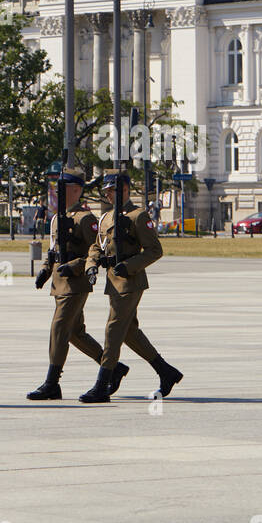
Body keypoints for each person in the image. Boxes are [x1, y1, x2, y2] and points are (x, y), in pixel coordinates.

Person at [79, 172, 183, 404]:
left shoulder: (138, 216)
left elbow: (155, 250)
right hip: (112, 281)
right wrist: (91, 265)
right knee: (129, 332)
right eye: (106, 190)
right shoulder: (106, 217)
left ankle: (102, 384)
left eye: (112, 189)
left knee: (113, 330)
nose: (107, 193)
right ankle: (166, 372)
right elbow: (97, 246)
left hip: (130, 281)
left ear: (125, 190)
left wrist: (129, 266)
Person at [27, 166, 127, 400]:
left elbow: (96, 252)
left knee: (59, 328)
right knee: (74, 332)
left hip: (75, 282)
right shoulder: (56, 218)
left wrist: (75, 266)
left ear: (75, 190)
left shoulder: (86, 219)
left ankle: (52, 383)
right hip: (58, 283)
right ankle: (113, 368)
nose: (56, 193)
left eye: (61, 188)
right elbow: (53, 250)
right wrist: (44, 270)